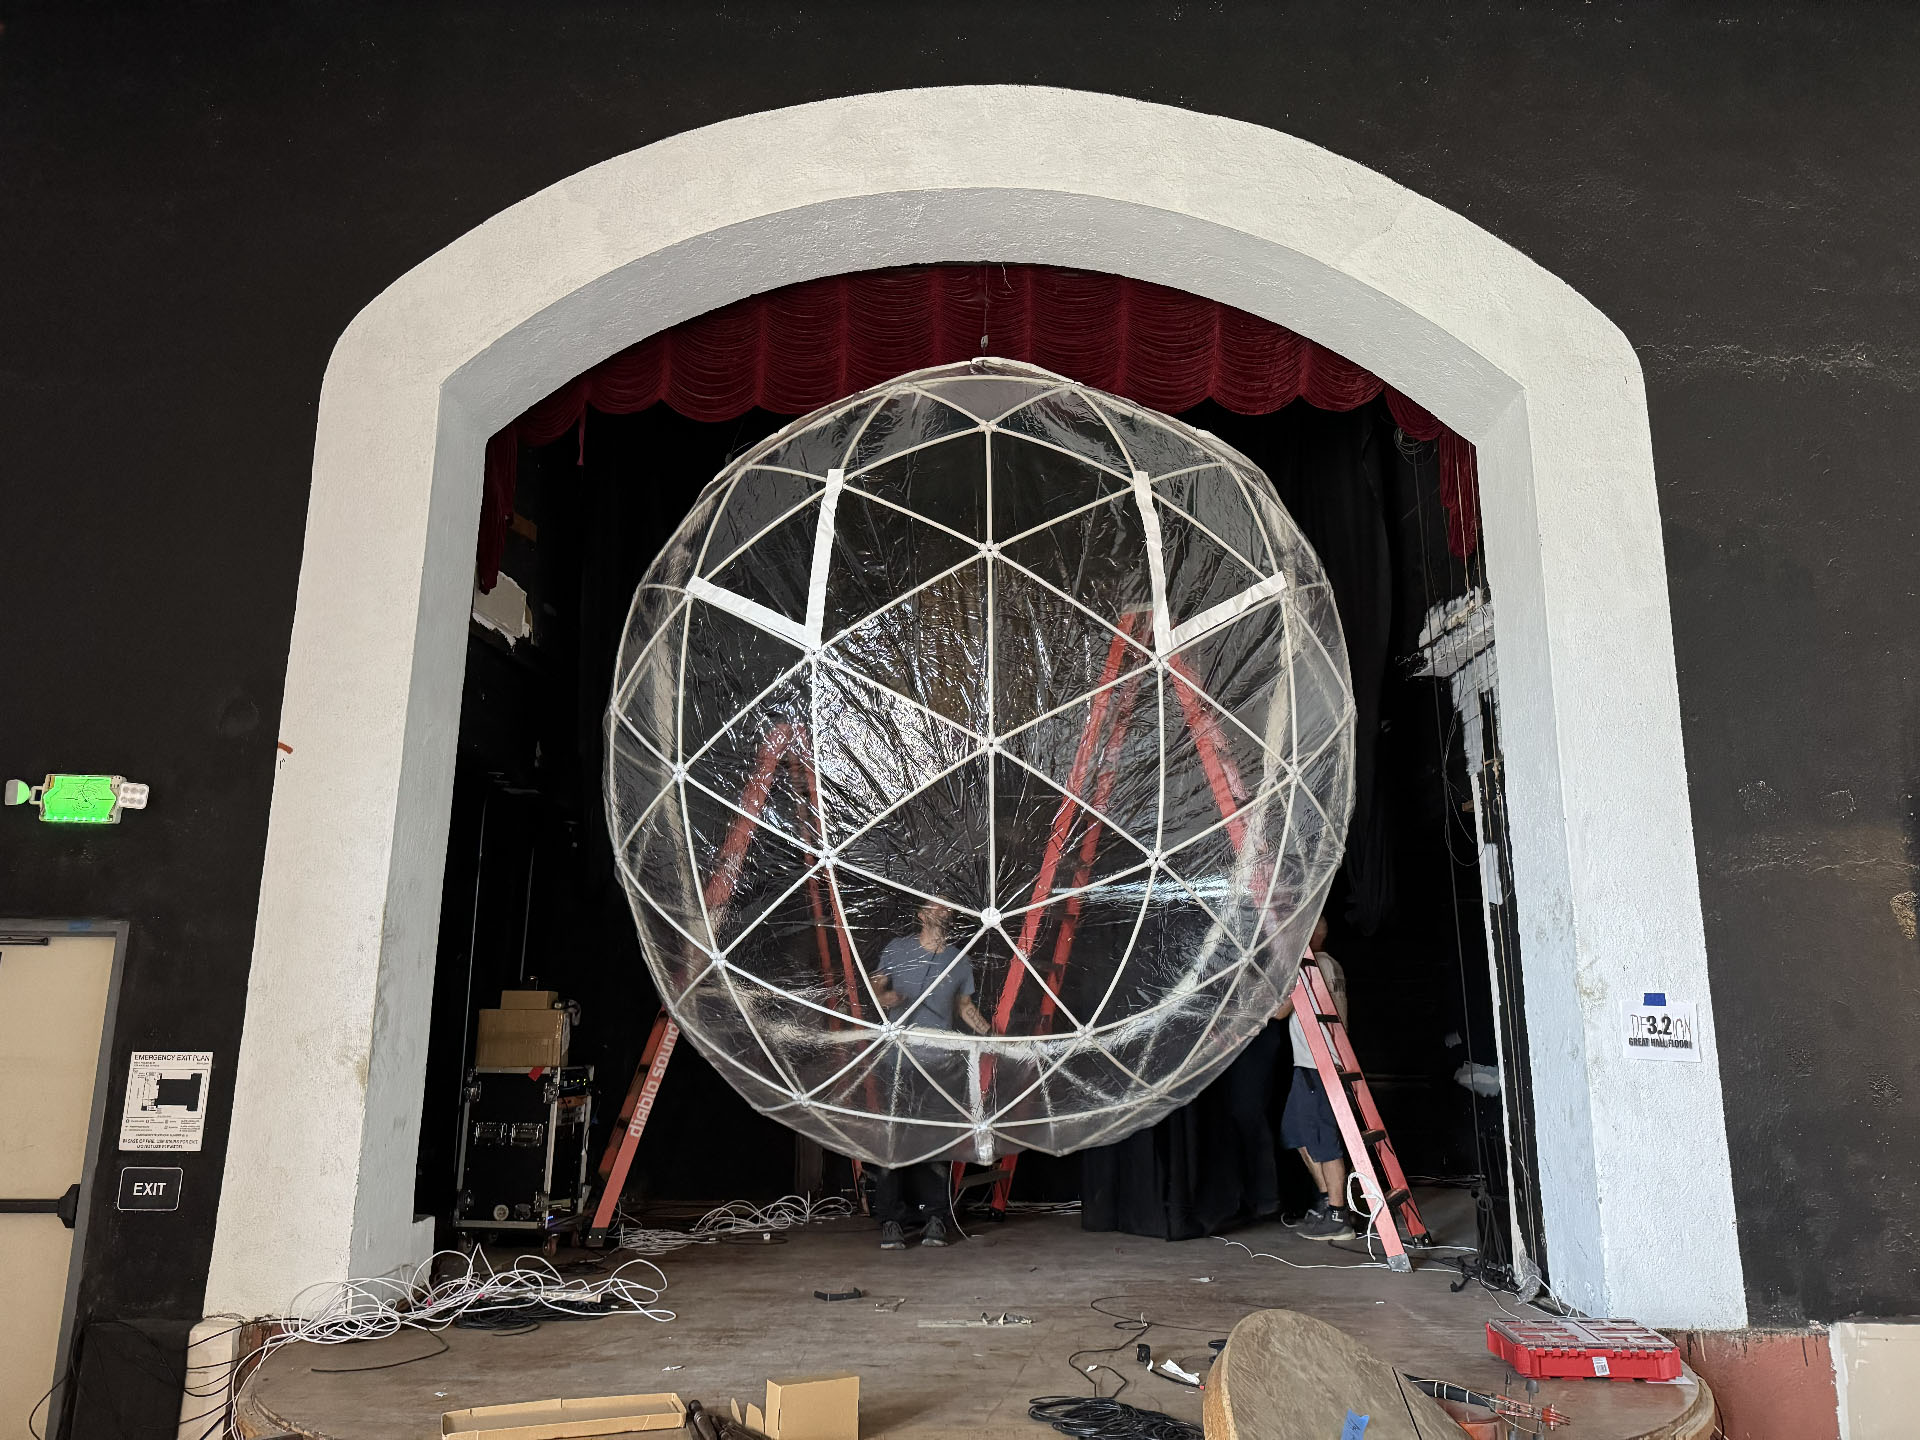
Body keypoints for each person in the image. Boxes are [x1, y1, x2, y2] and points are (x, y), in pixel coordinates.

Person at [866, 899, 990, 1250]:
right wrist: (886, 995)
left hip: (939, 1065)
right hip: (897, 1063)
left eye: (947, 908)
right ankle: (891, 1220)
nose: (943, 912)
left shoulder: (960, 960)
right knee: (893, 1141)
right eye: (935, 907)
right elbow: (877, 984)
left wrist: (991, 1035)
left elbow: (965, 1009)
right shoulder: (897, 949)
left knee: (938, 1141)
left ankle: (937, 1218)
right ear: (921, 915)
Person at [1273, 915, 1354, 1240]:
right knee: (1297, 1134)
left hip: (1319, 1067)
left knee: (1321, 1138)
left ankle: (1339, 1215)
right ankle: (1326, 1203)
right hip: (1312, 1065)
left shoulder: (1311, 966)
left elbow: (1279, 1011)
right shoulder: (1328, 963)